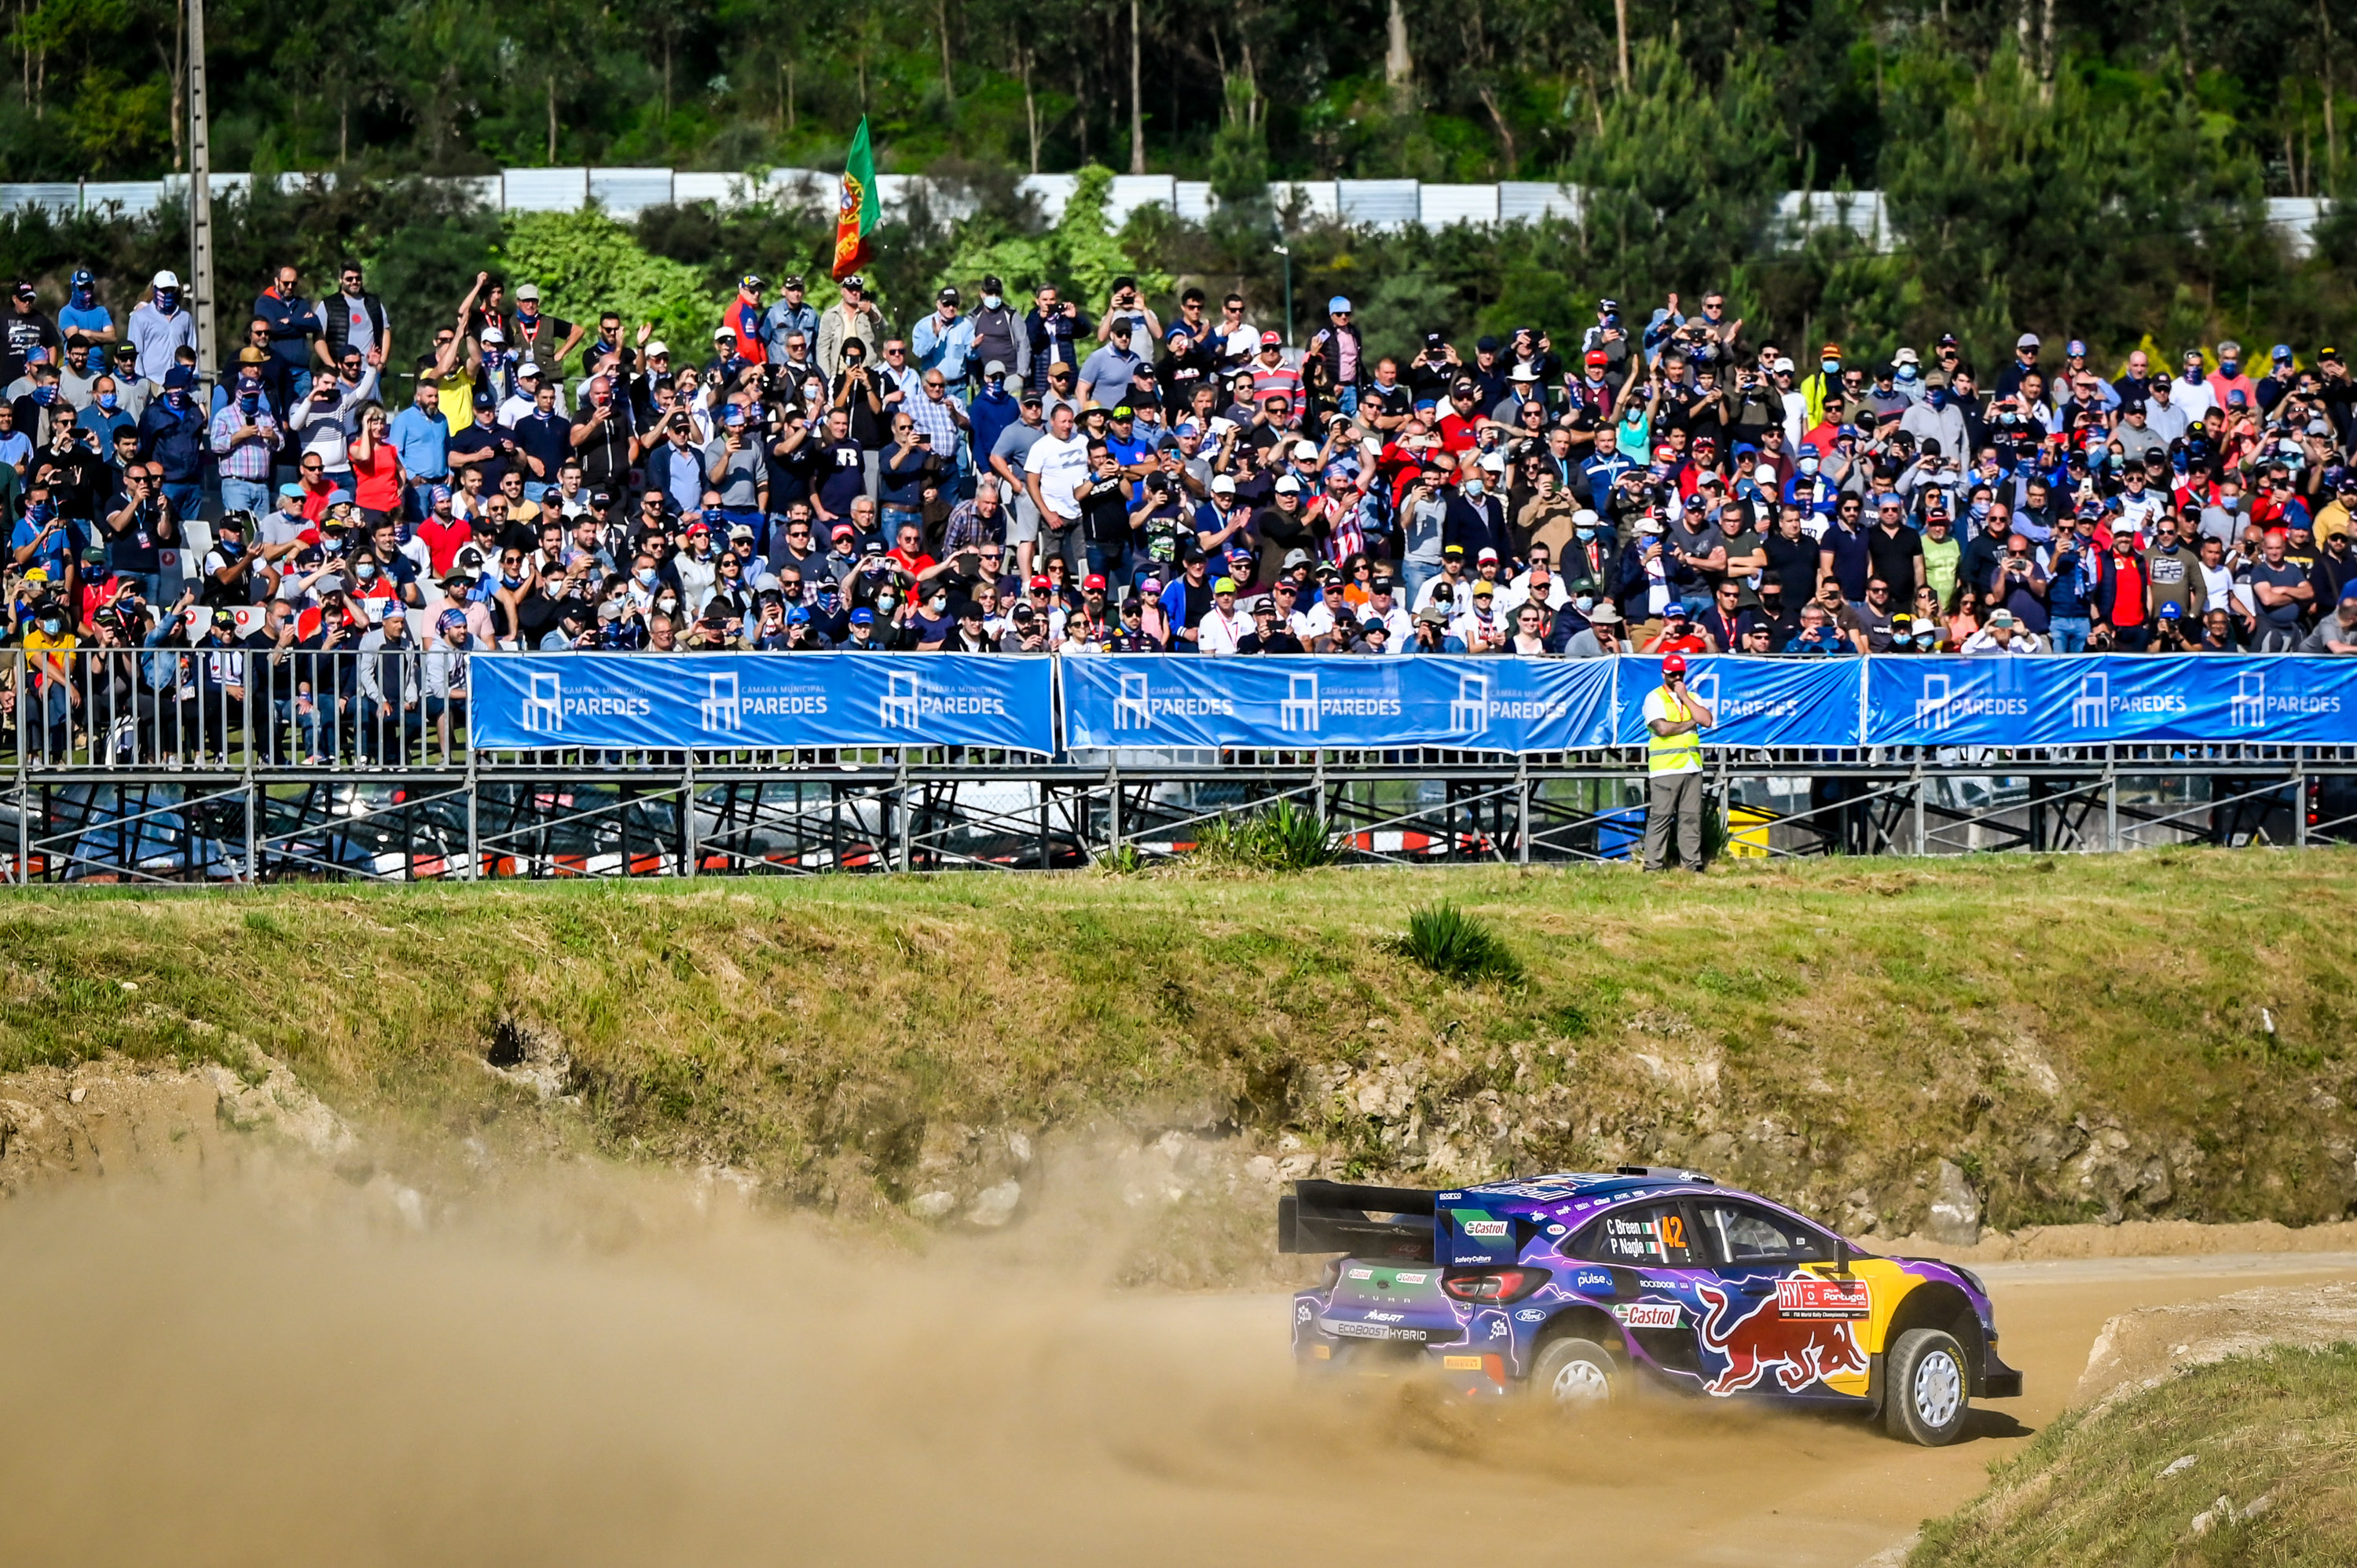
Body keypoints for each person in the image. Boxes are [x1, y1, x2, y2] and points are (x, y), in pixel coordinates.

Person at [1641, 654, 1714, 874]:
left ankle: (1691, 866)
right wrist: (1691, 722)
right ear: (1664, 674)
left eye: (1680, 674)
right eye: (1673, 674)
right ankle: (1653, 866)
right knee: (1660, 818)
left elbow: (1707, 720)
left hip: (1692, 766)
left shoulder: (1692, 697)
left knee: (1691, 818)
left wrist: (1685, 698)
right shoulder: (1654, 698)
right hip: (1666, 768)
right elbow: (1663, 729)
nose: (1677, 678)